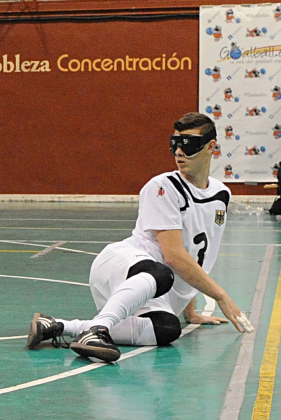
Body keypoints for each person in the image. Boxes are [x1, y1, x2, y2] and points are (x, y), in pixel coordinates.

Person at [27, 112, 253, 363]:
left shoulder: (221, 193)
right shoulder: (163, 186)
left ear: (211, 147)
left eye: (188, 145)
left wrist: (190, 311)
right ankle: (98, 330)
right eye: (175, 144)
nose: (179, 152)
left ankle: (59, 326)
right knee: (162, 271)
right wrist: (220, 296)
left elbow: (195, 250)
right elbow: (174, 257)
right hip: (124, 266)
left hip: (155, 288)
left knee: (167, 329)